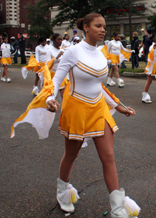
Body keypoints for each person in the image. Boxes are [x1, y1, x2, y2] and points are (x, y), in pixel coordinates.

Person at [45, 13, 139, 216]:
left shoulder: (101, 53)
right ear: (86, 27)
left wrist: (118, 105)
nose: (103, 29)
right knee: (71, 155)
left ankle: (117, 208)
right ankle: (63, 193)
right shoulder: (72, 52)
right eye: (98, 26)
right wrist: (49, 99)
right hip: (77, 109)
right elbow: (56, 80)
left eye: (104, 26)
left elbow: (99, 86)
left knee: (109, 157)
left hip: (99, 108)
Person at [48, 33, 68, 97]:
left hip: (60, 74)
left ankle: (64, 107)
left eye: (61, 40)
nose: (60, 41)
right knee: (52, 96)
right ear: (53, 40)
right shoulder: (49, 50)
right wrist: (56, 58)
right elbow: (48, 65)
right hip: (52, 75)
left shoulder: (62, 50)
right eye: (58, 39)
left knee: (64, 95)